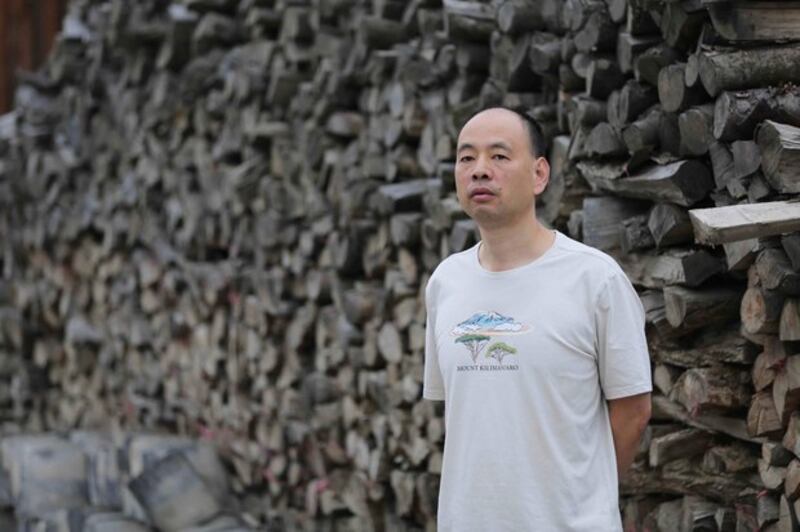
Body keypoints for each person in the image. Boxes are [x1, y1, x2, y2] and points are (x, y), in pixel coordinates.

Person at [423, 107, 652, 531]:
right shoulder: (445, 283)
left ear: (540, 174)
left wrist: (586, 499)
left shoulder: (594, 278)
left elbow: (633, 410)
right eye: (466, 157)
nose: (479, 170)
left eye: (499, 156)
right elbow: (463, 412)